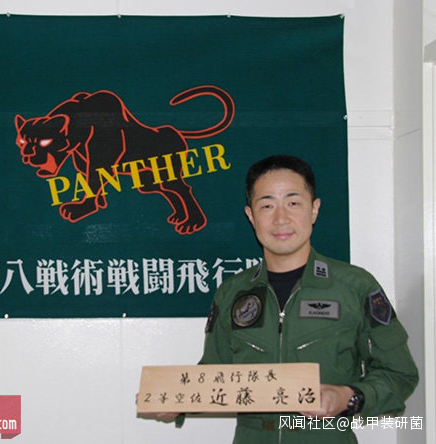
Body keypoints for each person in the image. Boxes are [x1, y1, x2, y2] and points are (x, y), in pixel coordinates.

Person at [170, 155, 419, 443]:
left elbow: (400, 374)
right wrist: (175, 401)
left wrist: (348, 397)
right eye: (267, 205)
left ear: (314, 210)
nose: (280, 219)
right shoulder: (232, 293)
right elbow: (216, 376)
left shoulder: (355, 287)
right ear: (251, 215)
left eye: (293, 203)